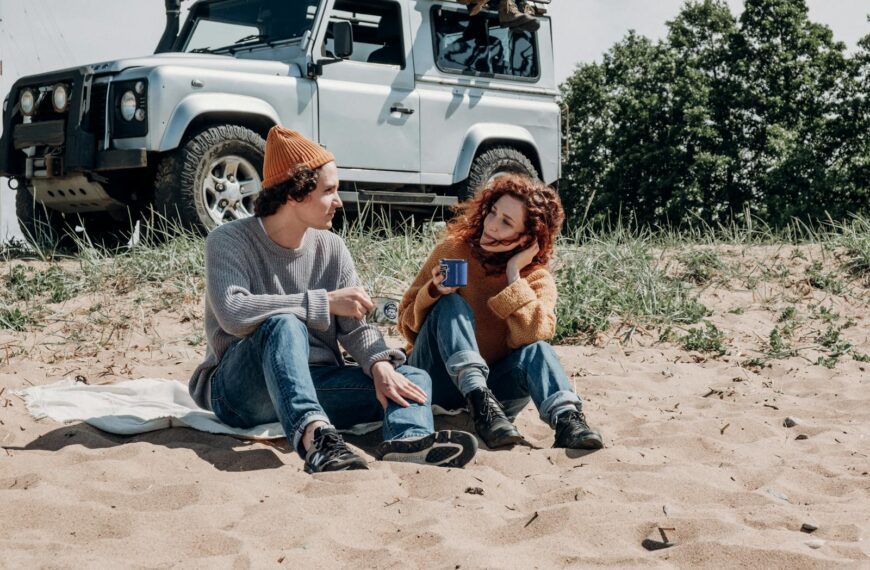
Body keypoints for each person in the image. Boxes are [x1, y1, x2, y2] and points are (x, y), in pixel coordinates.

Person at [189, 126, 477, 474]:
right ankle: (317, 440)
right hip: (241, 392)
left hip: (316, 382)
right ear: (295, 195)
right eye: (329, 191)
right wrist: (323, 302)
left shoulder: (331, 247)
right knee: (284, 323)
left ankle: (407, 442)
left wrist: (379, 365)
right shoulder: (229, 239)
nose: (338, 201)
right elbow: (234, 312)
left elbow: (356, 326)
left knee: (411, 377)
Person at [397, 175, 604, 451]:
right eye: (493, 212)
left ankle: (568, 420)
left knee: (538, 349)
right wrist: (433, 292)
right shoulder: (454, 250)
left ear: (528, 238)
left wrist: (513, 276)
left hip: (497, 402)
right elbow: (405, 323)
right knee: (450, 304)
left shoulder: (536, 279)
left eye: (506, 222)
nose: (491, 225)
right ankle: (477, 396)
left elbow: (535, 334)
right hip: (436, 380)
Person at [459, 0, 541, 32]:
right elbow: (472, 12)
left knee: (522, 3)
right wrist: (480, 4)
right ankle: (512, 17)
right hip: (499, 7)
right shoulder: (472, 5)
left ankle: (520, 22)